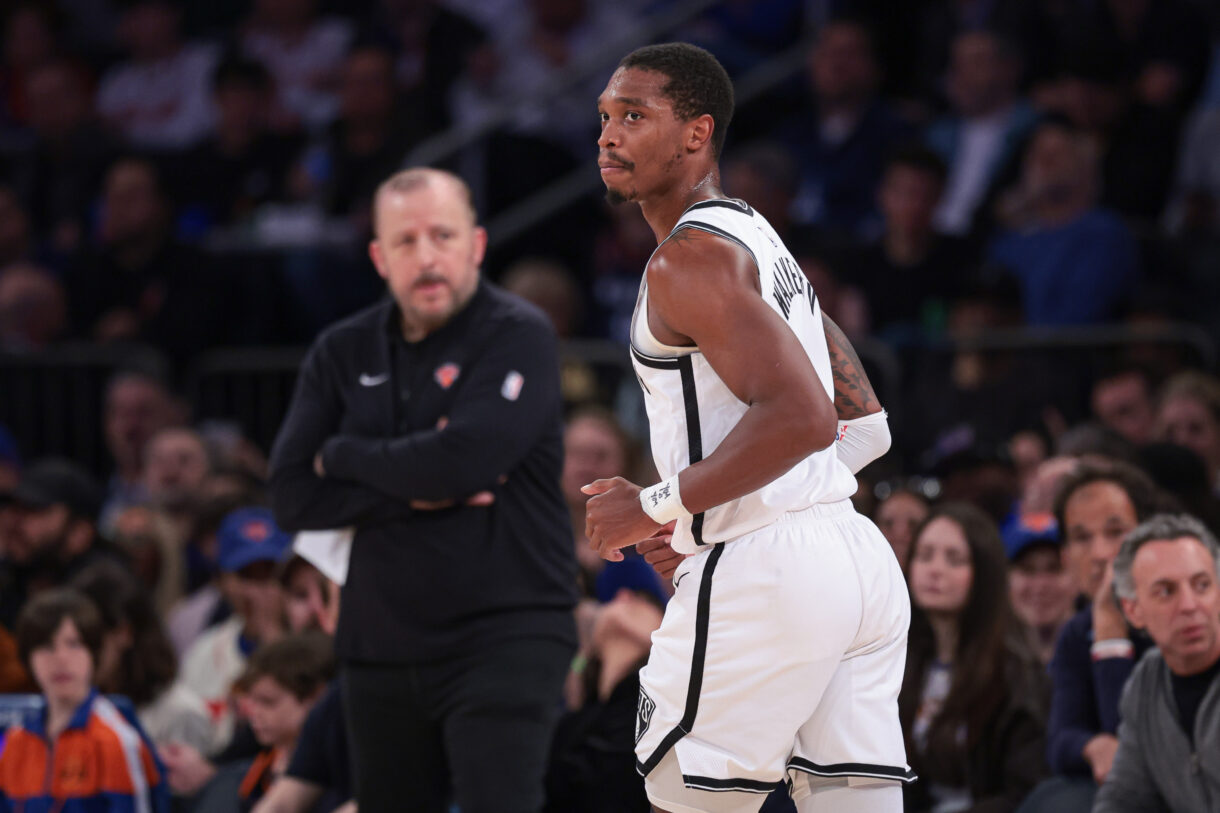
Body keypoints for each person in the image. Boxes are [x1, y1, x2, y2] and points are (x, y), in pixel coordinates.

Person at [586, 43, 910, 812]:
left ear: (697, 133)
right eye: (604, 116)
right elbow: (864, 426)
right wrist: (713, 512)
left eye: (635, 116)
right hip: (854, 561)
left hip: (769, 570)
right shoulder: (758, 237)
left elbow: (801, 415)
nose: (608, 136)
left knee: (681, 794)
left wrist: (660, 506)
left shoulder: (687, 261)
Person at [268, 167, 578, 813]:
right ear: (380, 257)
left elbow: (461, 463)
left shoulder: (518, 333)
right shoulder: (341, 350)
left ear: (477, 245)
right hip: (379, 640)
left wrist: (345, 455)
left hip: (506, 627)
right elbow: (293, 495)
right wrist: (413, 481)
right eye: (406, 241)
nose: (427, 256)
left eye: (443, 234)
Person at [1018, 462, 1167, 813]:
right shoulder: (1077, 631)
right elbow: (1059, 742)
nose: (1100, 554)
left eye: (1115, 532)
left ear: (1150, 538)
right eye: (1082, 537)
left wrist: (1111, 630)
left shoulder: (1179, 617)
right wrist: (1092, 746)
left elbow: (1139, 755)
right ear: (1067, 557)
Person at [899, 504, 1048, 811]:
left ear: (985, 573)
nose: (935, 569)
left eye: (955, 559)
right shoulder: (902, 662)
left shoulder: (1017, 673)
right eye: (924, 555)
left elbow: (1026, 792)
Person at [0, 588, 169, 812]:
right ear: (27, 658)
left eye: (73, 643)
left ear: (94, 653)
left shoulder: (116, 740)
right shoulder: (14, 742)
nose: (60, 658)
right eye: (46, 646)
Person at [1096, 513, 1220, 811]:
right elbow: (1124, 797)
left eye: (1202, 585)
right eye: (1166, 591)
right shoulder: (1145, 683)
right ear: (1133, 610)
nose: (1190, 605)